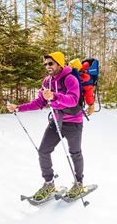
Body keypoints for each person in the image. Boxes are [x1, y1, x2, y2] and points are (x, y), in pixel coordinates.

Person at [7, 51, 85, 201]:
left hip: (74, 122)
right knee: (43, 151)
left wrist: (55, 96)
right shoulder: (46, 82)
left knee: (75, 152)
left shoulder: (70, 79)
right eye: (45, 64)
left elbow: (73, 100)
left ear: (59, 63)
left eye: (50, 63)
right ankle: (49, 183)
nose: (47, 66)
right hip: (56, 121)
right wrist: (18, 107)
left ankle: (79, 182)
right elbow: (39, 103)